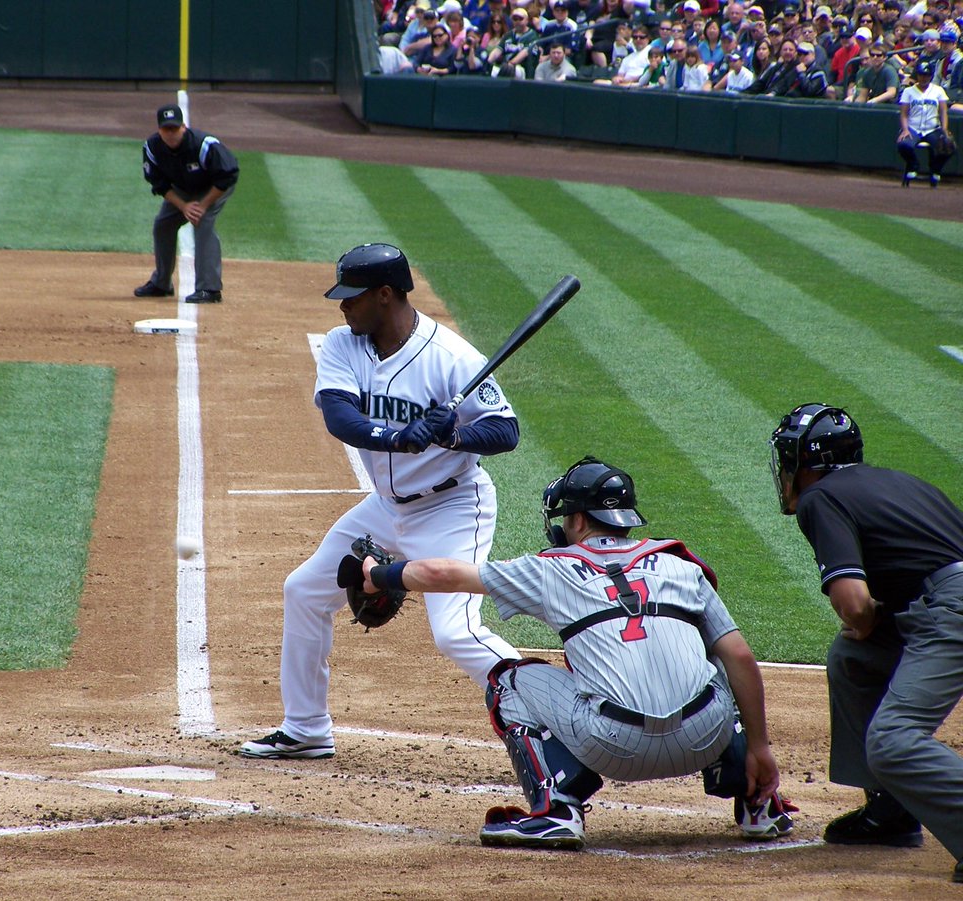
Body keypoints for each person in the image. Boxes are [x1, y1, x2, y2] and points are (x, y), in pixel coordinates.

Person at [356, 456, 794, 849]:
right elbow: (741, 657)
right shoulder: (681, 566)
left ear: (580, 521)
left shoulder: (551, 570)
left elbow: (441, 571)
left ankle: (557, 808)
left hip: (611, 745)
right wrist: (760, 747)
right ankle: (759, 801)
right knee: (716, 657)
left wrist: (379, 573)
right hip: (704, 735)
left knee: (510, 681)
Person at [240, 243, 522, 760]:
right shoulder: (344, 345)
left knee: (456, 633)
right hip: (386, 509)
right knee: (304, 591)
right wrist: (400, 436)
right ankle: (305, 729)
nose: (343, 307)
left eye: (353, 298)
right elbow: (339, 417)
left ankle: (554, 720)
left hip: (452, 509)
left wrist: (449, 438)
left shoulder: (454, 358)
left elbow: (506, 431)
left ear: (385, 296)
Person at [768, 404, 963, 885]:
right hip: (937, 602)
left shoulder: (821, 499)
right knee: (856, 656)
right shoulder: (903, 482)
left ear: (803, 462)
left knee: (894, 740)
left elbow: (853, 604)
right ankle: (891, 812)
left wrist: (869, 617)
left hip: (950, 608)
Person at [136, 103, 238, 303]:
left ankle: (210, 289)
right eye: (167, 129)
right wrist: (183, 206)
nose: (171, 133)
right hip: (183, 190)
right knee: (163, 225)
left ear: (183, 127)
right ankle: (161, 283)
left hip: (213, 188)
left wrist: (202, 205)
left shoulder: (204, 145)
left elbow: (227, 176)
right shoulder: (153, 148)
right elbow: (159, 184)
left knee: (202, 221)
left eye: (175, 128)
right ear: (159, 130)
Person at [898, 59, 955, 185]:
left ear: (931, 76)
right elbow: (904, 114)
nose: (924, 78)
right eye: (921, 75)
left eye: (926, 75)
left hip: (932, 128)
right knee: (903, 145)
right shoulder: (909, 91)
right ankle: (914, 165)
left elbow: (943, 112)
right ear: (917, 75)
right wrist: (905, 129)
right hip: (913, 127)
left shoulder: (938, 90)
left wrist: (944, 129)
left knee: (949, 146)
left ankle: (935, 170)